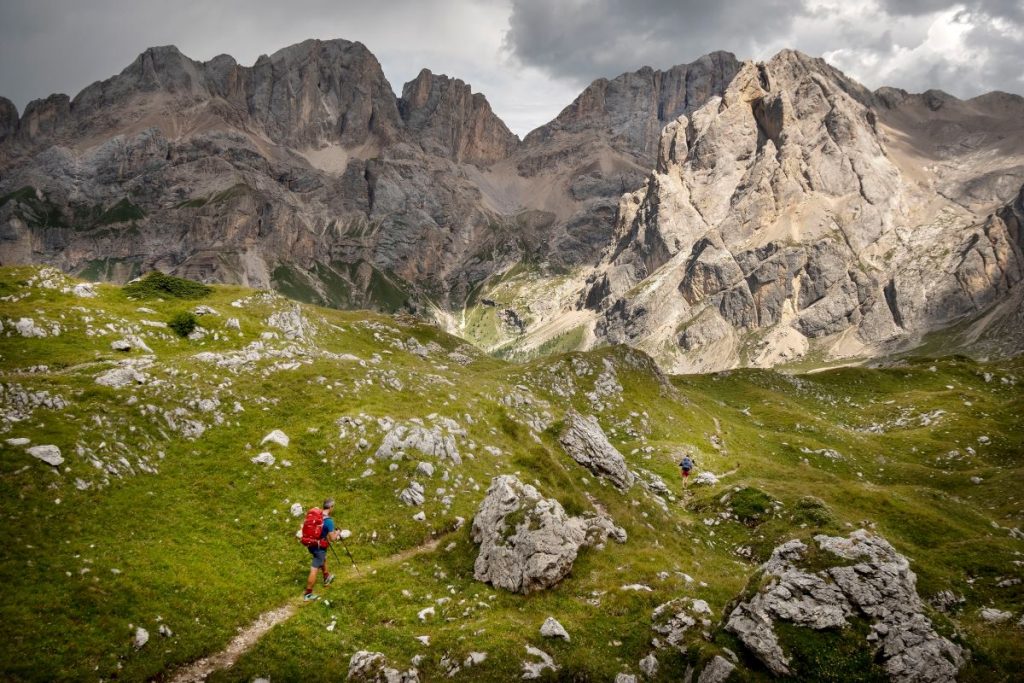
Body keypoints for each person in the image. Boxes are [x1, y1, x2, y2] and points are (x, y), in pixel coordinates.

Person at [303, 498, 349, 601]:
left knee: (323, 558)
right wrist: (338, 532)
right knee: (314, 568)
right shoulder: (328, 521)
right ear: (331, 507)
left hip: (311, 544)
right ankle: (308, 594)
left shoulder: (317, 515)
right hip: (319, 546)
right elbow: (332, 538)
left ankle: (326, 577)